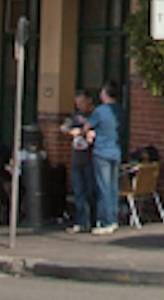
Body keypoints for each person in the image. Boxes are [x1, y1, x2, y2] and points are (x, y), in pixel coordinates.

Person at [87, 81, 122, 235]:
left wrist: (85, 130)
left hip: (102, 152)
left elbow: (87, 127)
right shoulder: (120, 110)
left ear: (106, 94)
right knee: (113, 188)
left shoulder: (100, 111)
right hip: (115, 151)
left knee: (104, 187)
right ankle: (113, 219)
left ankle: (105, 221)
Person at [63, 90, 96, 233]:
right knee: (78, 191)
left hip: (91, 158)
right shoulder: (75, 116)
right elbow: (64, 126)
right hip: (77, 158)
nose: (80, 106)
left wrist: (86, 133)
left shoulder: (95, 115)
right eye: (78, 103)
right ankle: (80, 221)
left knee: (90, 191)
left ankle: (92, 220)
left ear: (89, 101)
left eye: (82, 102)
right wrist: (70, 130)